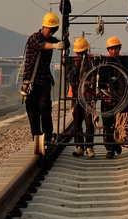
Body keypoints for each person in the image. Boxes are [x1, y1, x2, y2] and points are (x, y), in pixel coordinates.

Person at [21, 12, 64, 147]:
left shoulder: (51, 39)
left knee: (45, 107)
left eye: (54, 31)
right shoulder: (33, 38)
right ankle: (37, 138)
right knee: (33, 113)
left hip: (44, 81)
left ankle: (48, 136)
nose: (51, 33)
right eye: (50, 30)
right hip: (31, 83)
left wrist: (64, 41)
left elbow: (63, 44)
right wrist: (55, 46)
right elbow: (41, 45)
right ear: (44, 27)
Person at [99, 36, 128, 158]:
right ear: (108, 50)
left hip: (121, 99)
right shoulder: (104, 62)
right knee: (107, 124)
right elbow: (100, 82)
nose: (114, 51)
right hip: (108, 99)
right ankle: (110, 149)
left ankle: (116, 143)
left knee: (120, 124)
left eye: (116, 48)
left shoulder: (125, 61)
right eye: (112, 49)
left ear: (119, 49)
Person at [66, 37, 95, 158]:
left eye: (81, 52)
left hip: (87, 97)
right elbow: (68, 74)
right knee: (77, 122)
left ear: (86, 51)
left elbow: (94, 76)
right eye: (77, 52)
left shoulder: (91, 61)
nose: (79, 54)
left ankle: (89, 147)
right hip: (76, 97)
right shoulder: (72, 62)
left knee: (89, 123)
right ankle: (79, 147)